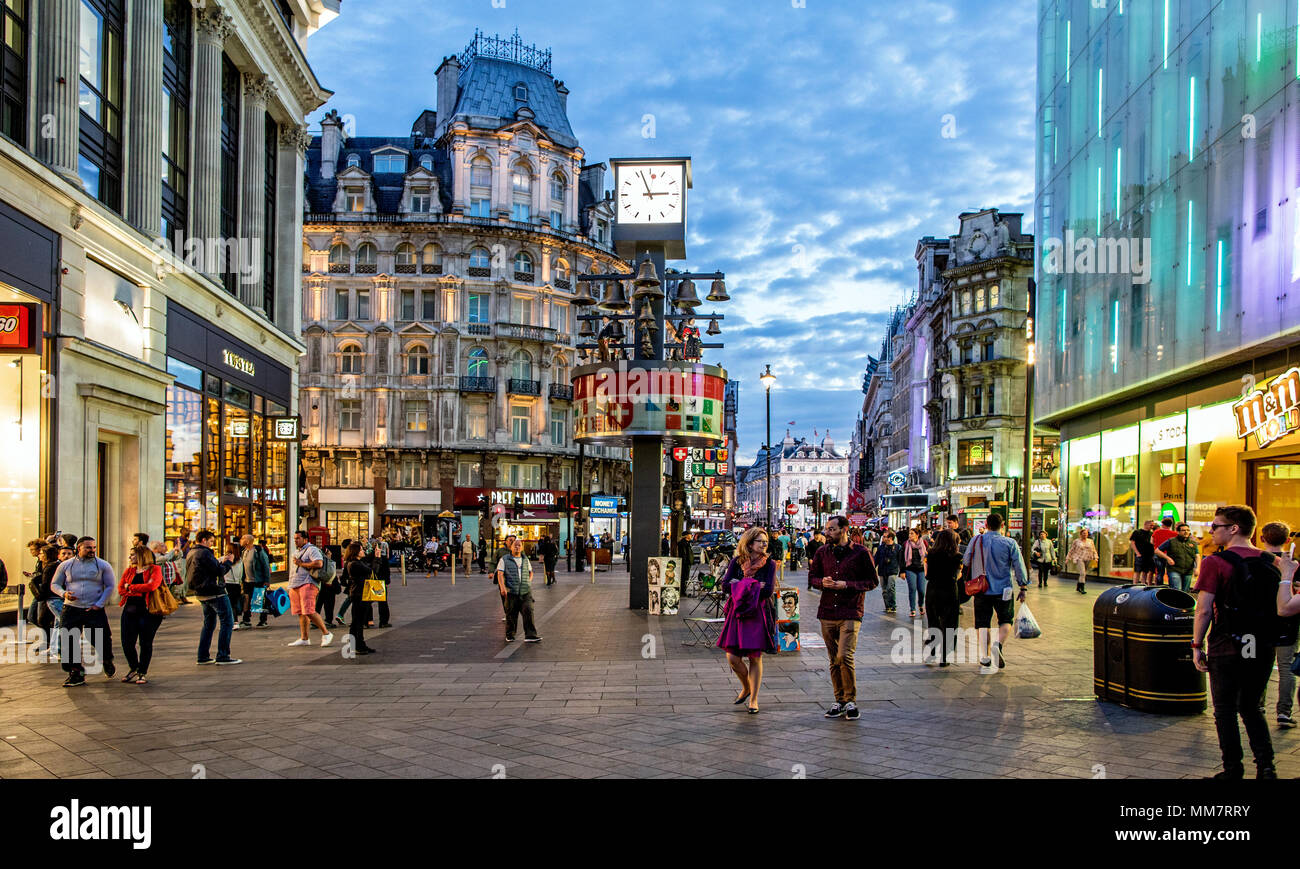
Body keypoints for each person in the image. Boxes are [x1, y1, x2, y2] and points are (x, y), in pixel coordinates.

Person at [1192, 505, 1278, 779]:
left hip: (1226, 644)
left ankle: (1233, 769)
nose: (1211, 530)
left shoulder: (1214, 562)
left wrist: (1196, 645)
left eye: (1215, 526)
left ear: (1234, 528)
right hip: (1260, 643)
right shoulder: (1271, 561)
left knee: (1225, 710)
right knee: (1252, 706)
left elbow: (1203, 609)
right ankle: (1266, 767)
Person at [807, 516, 877, 720]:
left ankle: (851, 700)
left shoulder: (861, 553)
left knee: (844, 655)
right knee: (833, 659)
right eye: (826, 529)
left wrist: (847, 585)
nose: (826, 533)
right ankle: (839, 700)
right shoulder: (822, 552)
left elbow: (872, 581)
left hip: (850, 610)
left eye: (831, 529)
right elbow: (812, 577)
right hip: (827, 611)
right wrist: (823, 582)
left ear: (844, 530)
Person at [716, 526, 778, 714]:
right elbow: (726, 585)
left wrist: (741, 585)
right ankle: (746, 686)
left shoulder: (769, 564)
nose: (764, 544)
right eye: (760, 541)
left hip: (758, 613)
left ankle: (753, 699)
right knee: (733, 657)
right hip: (738, 613)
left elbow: (768, 590)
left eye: (765, 541)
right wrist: (753, 585)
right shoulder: (737, 562)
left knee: (755, 657)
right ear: (750, 543)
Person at [962, 512, 1029, 675]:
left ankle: (985, 657)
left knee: (982, 622)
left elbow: (965, 560)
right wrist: (1023, 586)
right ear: (1003, 525)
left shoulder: (976, 540)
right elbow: (1019, 566)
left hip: (981, 589)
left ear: (986, 524)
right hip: (1004, 588)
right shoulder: (1010, 542)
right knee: (1006, 619)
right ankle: (998, 645)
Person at [50, 537, 117, 686]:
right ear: (78, 548)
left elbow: (111, 586)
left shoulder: (103, 565)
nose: (92, 550)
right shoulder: (66, 565)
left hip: (94, 608)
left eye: (93, 547)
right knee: (68, 639)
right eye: (88, 548)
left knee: (100, 638)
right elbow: (54, 584)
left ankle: (106, 659)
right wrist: (64, 594)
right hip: (71, 608)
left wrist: (99, 604)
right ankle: (75, 672)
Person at [1259, 522, 1298, 729]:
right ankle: (1284, 712)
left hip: (1261, 623)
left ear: (1262, 538)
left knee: (1260, 664)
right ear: (1288, 540)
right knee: (1286, 668)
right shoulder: (1294, 564)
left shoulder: (1256, 562)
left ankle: (1257, 705)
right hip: (1287, 623)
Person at [186, 530, 242, 665]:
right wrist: (228, 562)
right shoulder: (204, 552)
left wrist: (219, 562)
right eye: (211, 541)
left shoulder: (191, 552)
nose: (212, 544)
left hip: (200, 592)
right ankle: (223, 655)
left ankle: (203, 655)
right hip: (214, 591)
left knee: (209, 624)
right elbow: (219, 571)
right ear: (204, 540)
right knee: (227, 622)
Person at [117, 544, 164, 684]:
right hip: (130, 610)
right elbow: (120, 589)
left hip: (149, 611)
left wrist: (130, 587)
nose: (130, 557)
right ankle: (134, 667)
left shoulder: (155, 569)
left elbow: (151, 586)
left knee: (145, 642)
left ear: (142, 556)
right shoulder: (129, 571)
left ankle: (142, 672)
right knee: (127, 642)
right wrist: (136, 590)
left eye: (133, 555)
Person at [287, 530, 333, 647]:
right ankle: (304, 638)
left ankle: (326, 633)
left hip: (308, 583)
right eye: (295, 538)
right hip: (296, 584)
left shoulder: (311, 549)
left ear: (305, 539)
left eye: (298, 538)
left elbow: (319, 563)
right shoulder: (298, 551)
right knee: (301, 612)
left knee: (309, 611)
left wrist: (301, 564)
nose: (295, 540)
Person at [925, 529, 964, 667]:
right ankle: (944, 657)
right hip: (949, 590)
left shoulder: (930, 553)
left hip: (933, 590)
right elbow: (958, 575)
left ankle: (932, 653)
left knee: (933, 621)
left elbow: (927, 573)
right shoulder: (957, 556)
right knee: (950, 623)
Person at [496, 537, 540, 643]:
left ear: (522, 548)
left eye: (519, 545)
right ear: (511, 547)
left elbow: (531, 572)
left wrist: (528, 582)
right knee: (511, 614)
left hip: (525, 591)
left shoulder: (525, 559)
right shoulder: (504, 559)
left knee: (528, 611)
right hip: (511, 591)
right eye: (515, 545)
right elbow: (500, 574)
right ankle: (510, 635)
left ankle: (530, 635)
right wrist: (502, 588)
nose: (517, 547)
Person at [341, 543, 377, 655]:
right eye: (361, 550)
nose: (363, 551)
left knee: (358, 620)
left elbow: (366, 562)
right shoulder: (355, 564)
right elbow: (372, 570)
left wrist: (374, 554)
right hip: (359, 594)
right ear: (356, 552)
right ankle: (358, 645)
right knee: (358, 621)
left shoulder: (354, 563)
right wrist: (378, 559)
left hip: (358, 593)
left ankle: (358, 644)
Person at [1156, 523, 1199, 593]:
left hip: (1188, 571)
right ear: (1178, 532)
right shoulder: (1171, 541)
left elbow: (1197, 556)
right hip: (1174, 569)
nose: (1186, 532)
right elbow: (1157, 551)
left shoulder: (1193, 543)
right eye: (1183, 530)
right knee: (1176, 590)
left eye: (1188, 530)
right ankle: (1174, 603)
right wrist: (1168, 558)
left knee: (1185, 592)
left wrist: (1197, 568)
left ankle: (1183, 604)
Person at [238, 534, 270, 628]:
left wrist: (266, 580)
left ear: (248, 541)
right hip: (247, 581)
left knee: (259, 601)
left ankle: (263, 620)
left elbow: (265, 565)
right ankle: (246, 620)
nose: (241, 540)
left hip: (258, 580)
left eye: (243, 538)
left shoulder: (258, 551)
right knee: (246, 600)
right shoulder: (244, 551)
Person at [874, 529, 902, 614]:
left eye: (885, 537)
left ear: (890, 538)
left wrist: (902, 571)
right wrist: (872, 569)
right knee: (884, 590)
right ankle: (887, 606)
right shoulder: (881, 547)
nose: (883, 538)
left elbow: (900, 560)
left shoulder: (897, 547)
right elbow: (876, 559)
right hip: (882, 570)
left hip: (892, 570)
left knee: (890, 588)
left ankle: (893, 606)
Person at [151, 540, 187, 605]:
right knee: (161, 597)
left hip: (169, 580)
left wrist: (178, 550)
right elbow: (165, 558)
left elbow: (176, 557)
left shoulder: (163, 555)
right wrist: (173, 550)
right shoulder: (154, 556)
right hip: (161, 581)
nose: (163, 547)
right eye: (161, 546)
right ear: (156, 548)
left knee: (167, 597)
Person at [903, 527, 928, 619]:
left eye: (912, 533)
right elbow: (902, 558)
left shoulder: (924, 543)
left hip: (921, 569)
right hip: (910, 569)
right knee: (912, 589)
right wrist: (902, 571)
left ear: (917, 535)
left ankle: (921, 605)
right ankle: (912, 609)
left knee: (921, 590)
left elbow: (928, 556)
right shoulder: (906, 544)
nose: (910, 535)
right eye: (909, 533)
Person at [1065, 527, 1098, 594]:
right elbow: (1072, 550)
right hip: (1079, 558)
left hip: (1088, 558)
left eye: (1086, 534)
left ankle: (1078, 585)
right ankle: (1082, 588)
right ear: (1080, 534)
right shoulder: (1076, 541)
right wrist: (1068, 558)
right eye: (1083, 533)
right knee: (1083, 573)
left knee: (1083, 573)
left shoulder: (1090, 541)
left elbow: (1093, 549)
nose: (1085, 535)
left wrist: (1096, 557)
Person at [223, 541, 244, 629]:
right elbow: (241, 573)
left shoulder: (224, 559)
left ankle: (229, 622)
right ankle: (235, 622)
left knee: (226, 605)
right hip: (236, 584)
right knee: (234, 604)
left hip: (227, 584)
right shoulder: (240, 561)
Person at [1129, 519, 1157, 586]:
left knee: (1145, 571)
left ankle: (1143, 584)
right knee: (1137, 571)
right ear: (1146, 524)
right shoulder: (1137, 532)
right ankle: (1134, 584)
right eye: (1151, 525)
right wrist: (1137, 553)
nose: (1152, 527)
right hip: (1140, 554)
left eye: (1153, 525)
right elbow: (1132, 543)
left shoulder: (1151, 534)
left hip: (1149, 555)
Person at [1151, 518, 1177, 586]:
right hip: (1169, 555)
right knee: (1170, 572)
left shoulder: (1156, 532)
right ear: (1171, 525)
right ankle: (1171, 586)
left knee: (1159, 572)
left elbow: (1151, 542)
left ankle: (1159, 586)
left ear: (1163, 524)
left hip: (1158, 554)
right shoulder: (1174, 534)